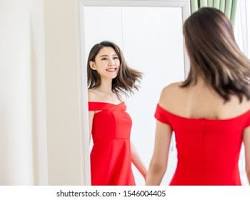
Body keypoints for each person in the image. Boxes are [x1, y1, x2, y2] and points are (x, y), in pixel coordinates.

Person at [146, 7, 250, 185]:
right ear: (227, 41)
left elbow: (157, 165)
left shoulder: (169, 94)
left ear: (190, 45)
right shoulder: (244, 97)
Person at [87, 41, 146, 185]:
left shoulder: (119, 97)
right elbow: (84, 142)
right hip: (102, 169)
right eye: (104, 58)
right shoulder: (89, 96)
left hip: (124, 170)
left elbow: (125, 141)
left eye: (115, 57)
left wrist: (146, 173)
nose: (111, 62)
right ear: (93, 65)